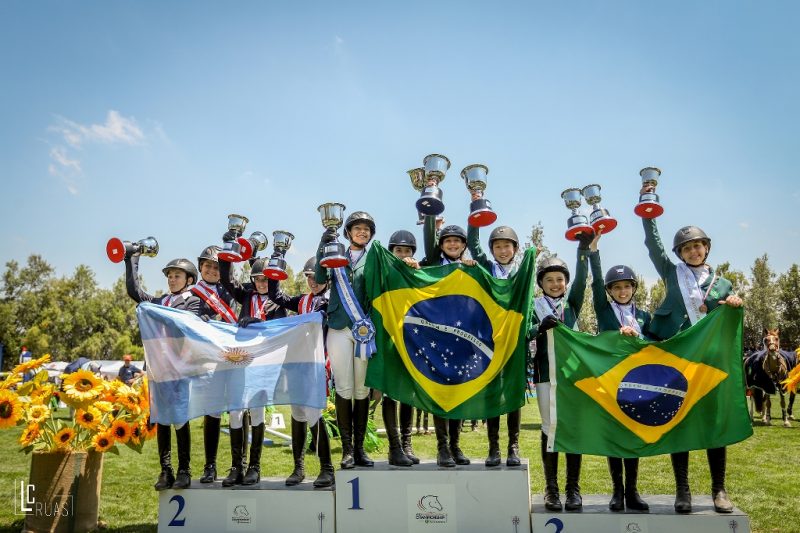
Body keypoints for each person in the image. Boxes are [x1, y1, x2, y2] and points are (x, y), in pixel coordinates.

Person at [640, 184, 743, 514]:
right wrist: (648, 209)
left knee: (714, 424)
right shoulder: (672, 273)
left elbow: (726, 321)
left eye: (698, 245)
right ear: (680, 253)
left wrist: (735, 304)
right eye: (687, 248)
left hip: (709, 362)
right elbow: (653, 245)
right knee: (678, 422)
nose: (694, 251)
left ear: (706, 248)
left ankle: (719, 489)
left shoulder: (723, 283)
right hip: (676, 360)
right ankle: (682, 490)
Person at [125, 251, 201, 490]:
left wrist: (158, 314)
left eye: (177, 276)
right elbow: (135, 293)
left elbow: (186, 325)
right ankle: (165, 470)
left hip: (180, 369)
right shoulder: (160, 302)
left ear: (189, 279)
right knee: (162, 420)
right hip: (159, 370)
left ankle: (184, 470)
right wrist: (131, 260)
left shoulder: (193, 301)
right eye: (169, 276)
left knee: (179, 419)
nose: (171, 279)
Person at [588, 231, 650, 512]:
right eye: (616, 288)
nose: (622, 291)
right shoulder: (604, 310)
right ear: (610, 291)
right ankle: (617, 491)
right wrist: (593, 251)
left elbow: (655, 344)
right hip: (611, 380)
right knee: (614, 435)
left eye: (626, 286)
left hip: (637, 382)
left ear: (633, 288)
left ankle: (632, 491)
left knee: (632, 434)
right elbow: (595, 281)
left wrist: (639, 338)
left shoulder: (645, 316)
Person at [531, 237, 591, 511]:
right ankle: (551, 489)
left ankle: (573, 489)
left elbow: (582, 279)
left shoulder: (572, 304)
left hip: (572, 375)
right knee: (549, 428)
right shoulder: (534, 305)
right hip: (545, 374)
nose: (555, 284)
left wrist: (583, 249)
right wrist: (538, 328)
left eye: (559, 280)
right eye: (549, 280)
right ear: (541, 284)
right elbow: (525, 332)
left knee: (573, 427)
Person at [315, 211, 376, 469]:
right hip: (339, 327)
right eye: (357, 228)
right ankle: (347, 450)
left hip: (365, 330)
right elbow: (319, 279)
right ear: (348, 232)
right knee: (343, 388)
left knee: (362, 389)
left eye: (366, 229)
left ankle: (360, 449)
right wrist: (322, 245)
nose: (362, 232)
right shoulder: (336, 254)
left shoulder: (375, 257)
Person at [219, 254, 288, 486]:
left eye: (265, 279)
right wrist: (227, 253)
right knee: (236, 412)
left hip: (263, 364)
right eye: (257, 279)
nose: (261, 283)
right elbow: (227, 280)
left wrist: (260, 324)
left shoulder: (278, 301)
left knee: (257, 412)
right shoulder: (246, 295)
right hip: (240, 361)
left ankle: (254, 467)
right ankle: (236, 466)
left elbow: (281, 332)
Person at [267, 256, 335, 488]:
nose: (312, 282)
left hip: (316, 363)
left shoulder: (333, 299)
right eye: (308, 277)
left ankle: (327, 468)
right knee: (297, 413)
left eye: (316, 277)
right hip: (297, 363)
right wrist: (277, 264)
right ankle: (298, 467)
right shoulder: (303, 300)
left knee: (313, 413)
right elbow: (277, 296)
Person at [421, 215, 477, 467]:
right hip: (437, 337)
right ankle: (442, 447)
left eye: (457, 241)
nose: (453, 244)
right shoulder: (433, 264)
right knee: (440, 394)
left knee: (458, 394)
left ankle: (455, 445)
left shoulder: (471, 267)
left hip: (463, 338)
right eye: (448, 241)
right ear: (441, 245)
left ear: (464, 244)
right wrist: (430, 215)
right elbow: (428, 241)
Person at [467, 220, 524, 467]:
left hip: (514, 340)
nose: (502, 251)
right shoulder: (486, 266)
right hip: (488, 340)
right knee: (492, 393)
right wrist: (475, 211)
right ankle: (494, 447)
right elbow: (473, 243)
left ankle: (513, 447)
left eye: (507, 246)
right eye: (498, 246)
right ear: (491, 250)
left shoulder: (523, 271)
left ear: (515, 249)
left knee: (512, 393)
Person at [192, 245, 238, 484]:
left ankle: (237, 465)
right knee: (212, 411)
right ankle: (209, 466)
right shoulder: (192, 294)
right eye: (207, 265)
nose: (211, 270)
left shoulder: (229, 291)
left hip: (231, 356)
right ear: (200, 267)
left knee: (238, 411)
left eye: (216, 267)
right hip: (209, 359)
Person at [381, 230, 422, 467]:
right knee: (390, 392)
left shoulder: (417, 272)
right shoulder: (384, 273)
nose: (404, 255)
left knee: (408, 392)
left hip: (411, 338)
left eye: (407, 251)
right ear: (391, 252)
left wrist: (417, 273)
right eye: (399, 250)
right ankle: (394, 447)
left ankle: (407, 443)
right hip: (389, 337)